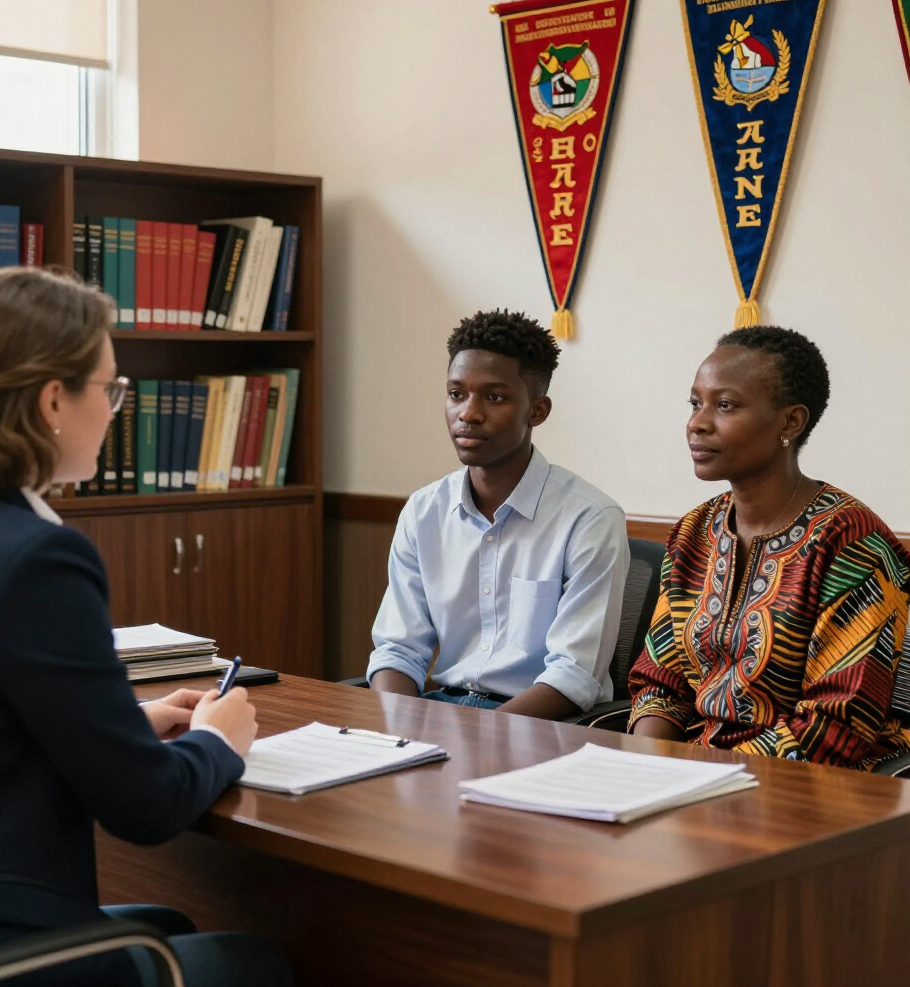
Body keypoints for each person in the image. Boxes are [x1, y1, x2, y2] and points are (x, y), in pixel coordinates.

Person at [0, 268, 291, 986]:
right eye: (110, 388)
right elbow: (147, 808)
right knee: (259, 961)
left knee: (171, 925)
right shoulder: (35, 558)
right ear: (51, 400)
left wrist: (127, 720)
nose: (114, 409)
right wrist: (217, 742)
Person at [629, 326, 910, 770]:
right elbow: (660, 682)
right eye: (695, 403)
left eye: (725, 405)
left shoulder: (851, 541)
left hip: (813, 789)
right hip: (689, 776)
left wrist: (697, 775)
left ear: (790, 422)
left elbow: (835, 725)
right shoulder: (694, 532)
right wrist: (647, 766)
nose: (697, 423)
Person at [367, 309, 628, 721]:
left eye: (494, 397)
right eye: (456, 394)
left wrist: (478, 733)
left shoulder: (590, 518)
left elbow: (573, 675)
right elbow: (399, 650)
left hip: (542, 725)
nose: (468, 414)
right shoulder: (424, 511)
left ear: (537, 411)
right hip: (441, 715)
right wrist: (395, 725)